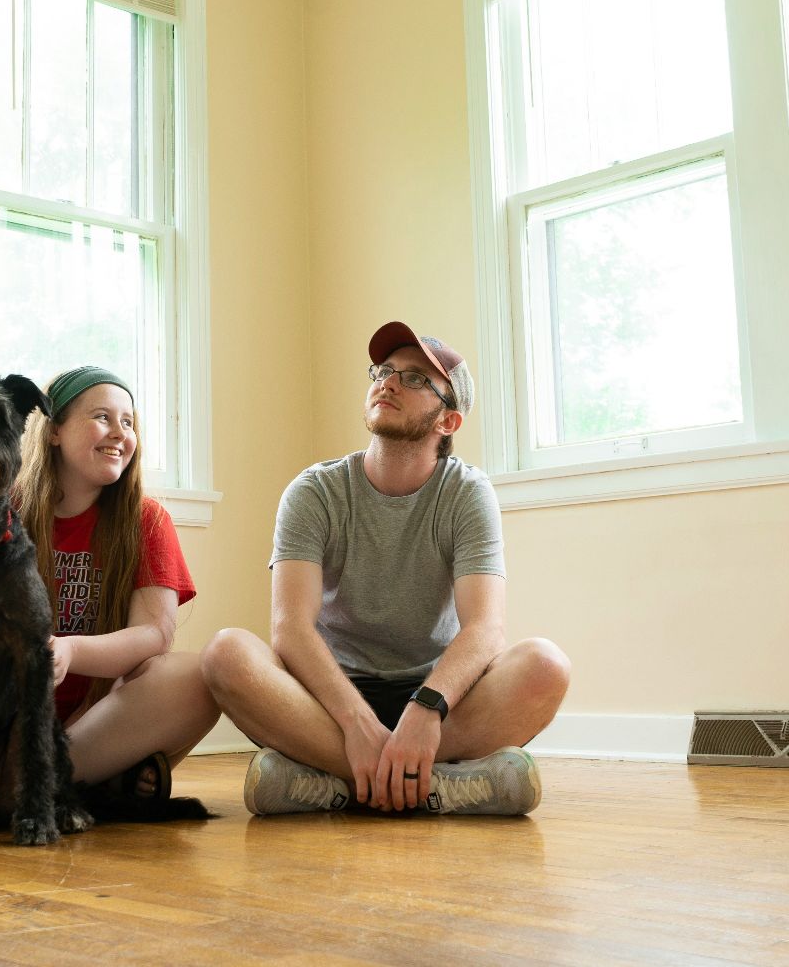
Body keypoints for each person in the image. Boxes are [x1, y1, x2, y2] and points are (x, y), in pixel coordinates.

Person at [202, 321, 571, 816]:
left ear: (448, 422)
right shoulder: (314, 491)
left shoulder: (467, 492)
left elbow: (486, 628)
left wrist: (427, 708)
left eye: (416, 378)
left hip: (438, 696)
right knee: (226, 654)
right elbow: (290, 628)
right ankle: (442, 785)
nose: (389, 382)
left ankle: (331, 784)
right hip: (331, 699)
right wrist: (355, 720)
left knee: (546, 666)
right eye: (384, 370)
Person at [0, 366, 218, 812]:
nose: (119, 433)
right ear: (53, 430)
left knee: (196, 678)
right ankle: (73, 787)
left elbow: (154, 636)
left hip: (96, 718)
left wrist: (70, 651)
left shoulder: (148, 520)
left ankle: (47, 782)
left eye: (129, 423)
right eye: (102, 417)